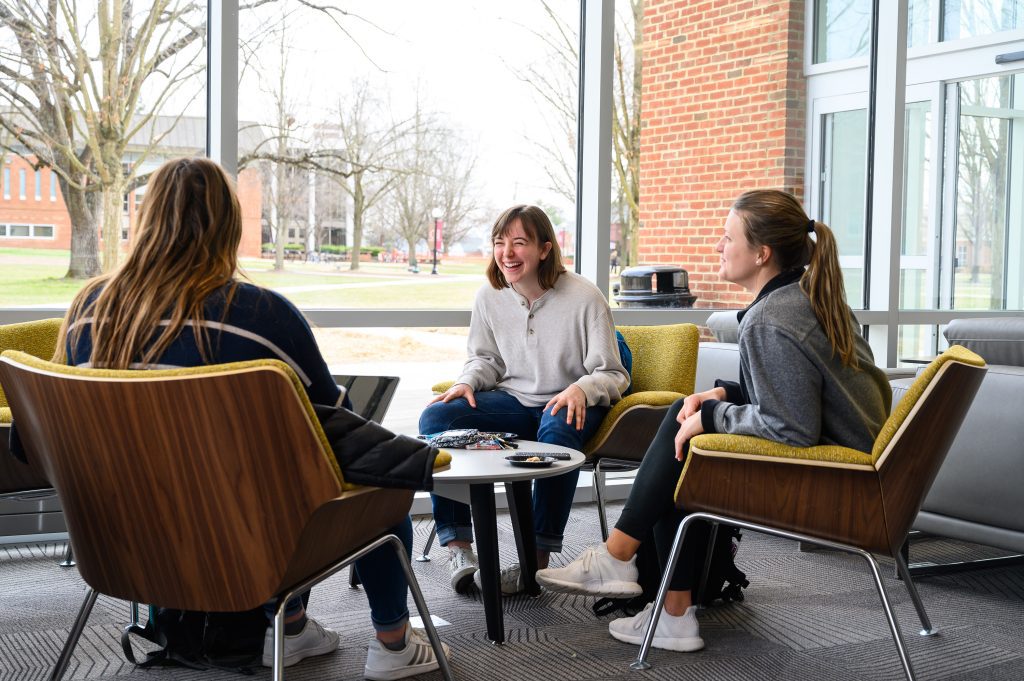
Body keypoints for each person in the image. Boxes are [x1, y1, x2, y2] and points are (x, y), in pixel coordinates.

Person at [51, 157, 448, 680]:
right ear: (229, 226)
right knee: (381, 492)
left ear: (144, 218)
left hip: (120, 540)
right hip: (245, 546)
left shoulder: (86, 312)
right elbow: (332, 425)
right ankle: (393, 647)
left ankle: (293, 628)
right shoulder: (259, 315)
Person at [535, 189, 892, 653]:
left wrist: (711, 414)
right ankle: (662, 602)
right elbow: (807, 396)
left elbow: (792, 427)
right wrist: (721, 394)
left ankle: (631, 568)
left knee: (685, 449)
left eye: (727, 238)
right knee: (685, 427)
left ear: (762, 253)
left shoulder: (772, 318)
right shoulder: (805, 297)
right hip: (851, 458)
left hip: (834, 480)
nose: (717, 247)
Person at [420, 204, 630, 595]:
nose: (507, 253)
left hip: (572, 401)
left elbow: (613, 373)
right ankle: (459, 547)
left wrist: (581, 388)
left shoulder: (584, 296)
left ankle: (536, 558)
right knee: (437, 420)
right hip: (516, 401)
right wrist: (468, 381)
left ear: (545, 249)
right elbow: (485, 360)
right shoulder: (490, 295)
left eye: (519, 243)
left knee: (557, 426)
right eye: (500, 243)